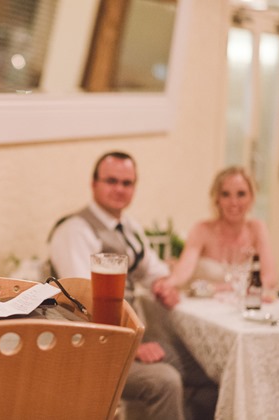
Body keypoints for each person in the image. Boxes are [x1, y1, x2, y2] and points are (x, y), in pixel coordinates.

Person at [49, 151, 217, 420]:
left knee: (208, 368)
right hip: (93, 347)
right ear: (94, 184)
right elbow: (82, 301)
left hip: (132, 334)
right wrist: (131, 346)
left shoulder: (128, 227)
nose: (119, 189)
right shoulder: (75, 230)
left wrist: (165, 285)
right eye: (111, 181)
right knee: (166, 381)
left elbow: (154, 271)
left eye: (127, 183)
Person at [162, 166, 276, 296]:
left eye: (241, 194)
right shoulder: (202, 229)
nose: (234, 202)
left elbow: (270, 279)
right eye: (226, 194)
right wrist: (167, 284)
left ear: (251, 197)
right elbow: (183, 270)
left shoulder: (257, 228)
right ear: (217, 199)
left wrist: (217, 289)